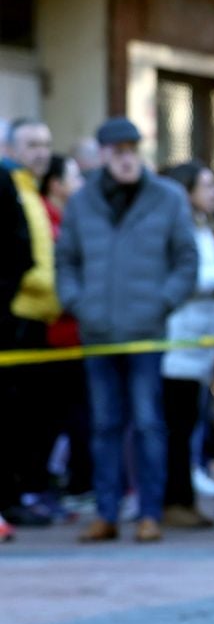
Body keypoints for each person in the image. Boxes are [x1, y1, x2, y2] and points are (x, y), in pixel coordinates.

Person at [53, 117, 198, 542]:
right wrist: (78, 303)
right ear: (102, 155)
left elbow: (185, 259)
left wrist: (163, 302)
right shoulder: (83, 203)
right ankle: (106, 512)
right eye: (118, 150)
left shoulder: (167, 198)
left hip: (146, 332)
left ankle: (149, 513)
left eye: (133, 149)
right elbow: (66, 260)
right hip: (97, 333)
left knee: (150, 422)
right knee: (104, 426)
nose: (127, 158)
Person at [158, 162, 214, 530]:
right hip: (175, 343)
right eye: (206, 185)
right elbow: (179, 275)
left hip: (200, 344)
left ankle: (184, 496)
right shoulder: (169, 228)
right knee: (174, 424)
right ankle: (172, 500)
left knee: (188, 421)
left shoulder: (204, 230)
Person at [2, 119, 59, 532]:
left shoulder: (33, 190)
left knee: (30, 419)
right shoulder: (8, 185)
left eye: (45, 144)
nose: (41, 152)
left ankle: (22, 494)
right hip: (13, 318)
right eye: (31, 144)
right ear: (10, 147)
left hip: (39, 319)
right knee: (11, 418)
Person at [38, 157, 90, 507]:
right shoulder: (44, 219)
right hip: (55, 334)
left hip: (75, 334)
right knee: (54, 417)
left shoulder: (70, 221)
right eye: (75, 178)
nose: (81, 185)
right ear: (56, 184)